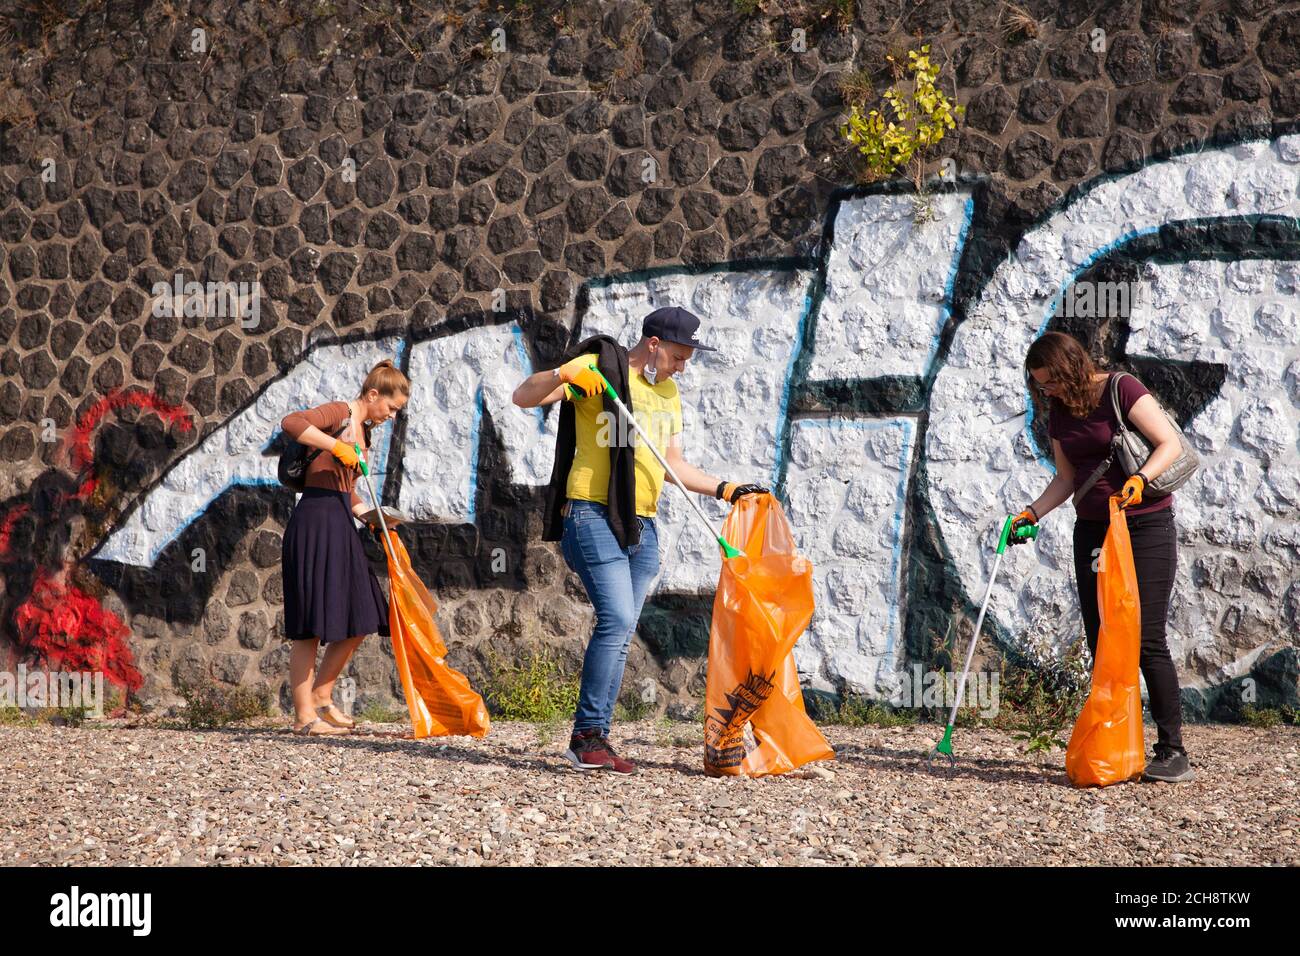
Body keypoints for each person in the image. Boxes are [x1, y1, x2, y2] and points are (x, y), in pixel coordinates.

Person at [512, 306, 768, 774]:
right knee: (618, 618)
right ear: (653, 344)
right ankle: (586, 737)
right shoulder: (600, 371)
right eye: (677, 356)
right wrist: (563, 372)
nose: (681, 367)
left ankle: (596, 738)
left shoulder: (667, 392)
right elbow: (522, 397)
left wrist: (726, 489)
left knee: (622, 629)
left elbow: (673, 467)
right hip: (590, 513)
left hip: (642, 525)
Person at [1013, 331, 1192, 782]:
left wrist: (1140, 481)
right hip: (1093, 530)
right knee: (1103, 642)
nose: (1045, 391)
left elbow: (1168, 443)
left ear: (1070, 367)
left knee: (1146, 637)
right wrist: (1032, 511)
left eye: (1050, 381)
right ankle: (1117, 745)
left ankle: (1173, 751)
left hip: (1144, 524)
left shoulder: (1121, 388)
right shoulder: (1059, 411)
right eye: (1040, 385)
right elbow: (1067, 477)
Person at [279, 359, 409, 736]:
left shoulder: (364, 435)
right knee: (308, 625)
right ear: (373, 394)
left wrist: (375, 518)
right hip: (314, 521)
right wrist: (336, 444)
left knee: (366, 611)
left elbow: (348, 492)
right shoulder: (340, 413)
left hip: (340, 521)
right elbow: (292, 422)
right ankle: (304, 718)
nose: (391, 415)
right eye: (390, 407)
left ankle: (322, 694)